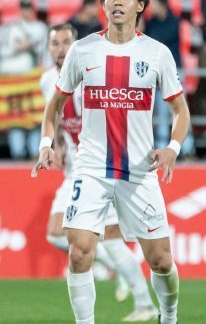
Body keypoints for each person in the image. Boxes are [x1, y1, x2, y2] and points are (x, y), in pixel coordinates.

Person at [34, 0, 189, 324]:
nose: (117, 1)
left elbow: (181, 111)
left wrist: (172, 149)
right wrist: (46, 144)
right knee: (79, 252)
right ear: (103, 4)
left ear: (140, 5)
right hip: (90, 168)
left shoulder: (157, 53)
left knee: (161, 260)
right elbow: (55, 106)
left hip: (138, 171)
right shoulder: (82, 50)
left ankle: (168, 316)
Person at [39, 23, 157, 322]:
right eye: (55, 43)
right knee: (56, 233)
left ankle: (145, 304)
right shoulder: (47, 81)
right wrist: (57, 144)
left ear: (75, 45)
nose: (61, 48)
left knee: (113, 241)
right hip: (73, 169)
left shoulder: (94, 73)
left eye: (66, 42)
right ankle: (117, 273)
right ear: (49, 48)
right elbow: (55, 116)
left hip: (103, 169)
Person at [0, 0, 48, 159]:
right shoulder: (10, 28)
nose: (26, 12)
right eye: (24, 8)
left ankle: (35, 150)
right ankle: (17, 150)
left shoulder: (40, 27)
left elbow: (44, 52)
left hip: (32, 76)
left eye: (29, 8)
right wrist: (19, 48)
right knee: (15, 115)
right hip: (14, 77)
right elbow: (2, 52)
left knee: (35, 114)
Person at [145, 0, 194, 156]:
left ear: (163, 6)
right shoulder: (151, 22)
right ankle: (161, 145)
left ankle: (186, 148)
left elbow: (160, 41)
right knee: (161, 110)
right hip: (157, 70)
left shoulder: (175, 22)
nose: (152, 8)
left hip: (174, 70)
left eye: (156, 5)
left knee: (180, 108)